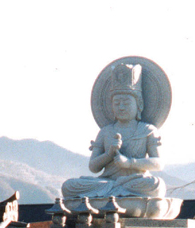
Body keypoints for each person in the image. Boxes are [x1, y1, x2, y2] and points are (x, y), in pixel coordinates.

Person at [61, 63, 166, 199]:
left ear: (139, 104)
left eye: (126, 103)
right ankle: (117, 193)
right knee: (69, 186)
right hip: (107, 182)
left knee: (156, 185)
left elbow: (158, 163)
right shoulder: (105, 131)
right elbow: (93, 167)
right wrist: (109, 154)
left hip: (134, 182)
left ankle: (110, 195)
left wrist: (129, 163)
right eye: (116, 103)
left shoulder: (147, 130)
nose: (121, 107)